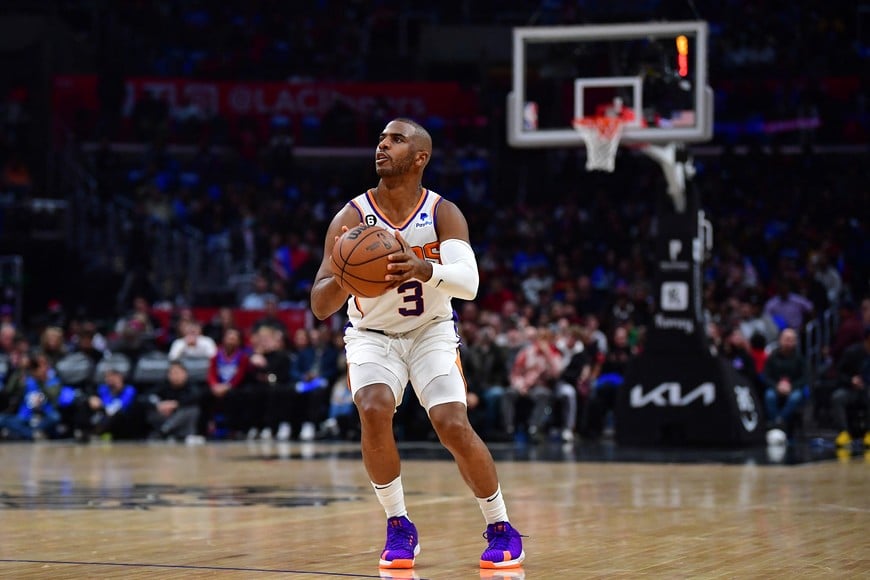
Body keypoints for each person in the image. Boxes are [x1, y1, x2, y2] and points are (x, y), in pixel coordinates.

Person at [310, 118, 524, 570]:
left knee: (451, 422)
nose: (382, 145)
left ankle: (501, 524)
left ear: (420, 157)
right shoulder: (351, 217)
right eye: (382, 138)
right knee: (372, 407)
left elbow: (468, 285)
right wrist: (347, 278)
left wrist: (424, 269)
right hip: (372, 336)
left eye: (396, 140)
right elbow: (319, 304)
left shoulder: (443, 213)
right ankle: (398, 525)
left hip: (431, 330)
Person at [761, 328, 808, 437]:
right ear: (780, 340)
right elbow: (766, 376)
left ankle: (779, 422)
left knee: (795, 397)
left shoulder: (800, 359)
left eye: (792, 340)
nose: (789, 343)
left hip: (793, 388)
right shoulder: (772, 357)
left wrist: (791, 387)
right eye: (787, 339)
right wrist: (777, 386)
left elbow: (805, 378)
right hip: (776, 387)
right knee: (769, 396)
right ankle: (775, 421)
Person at [831, 327, 870, 448]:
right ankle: (843, 432)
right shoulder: (852, 352)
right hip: (851, 389)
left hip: (867, 390)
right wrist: (851, 380)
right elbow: (839, 373)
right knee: (837, 397)